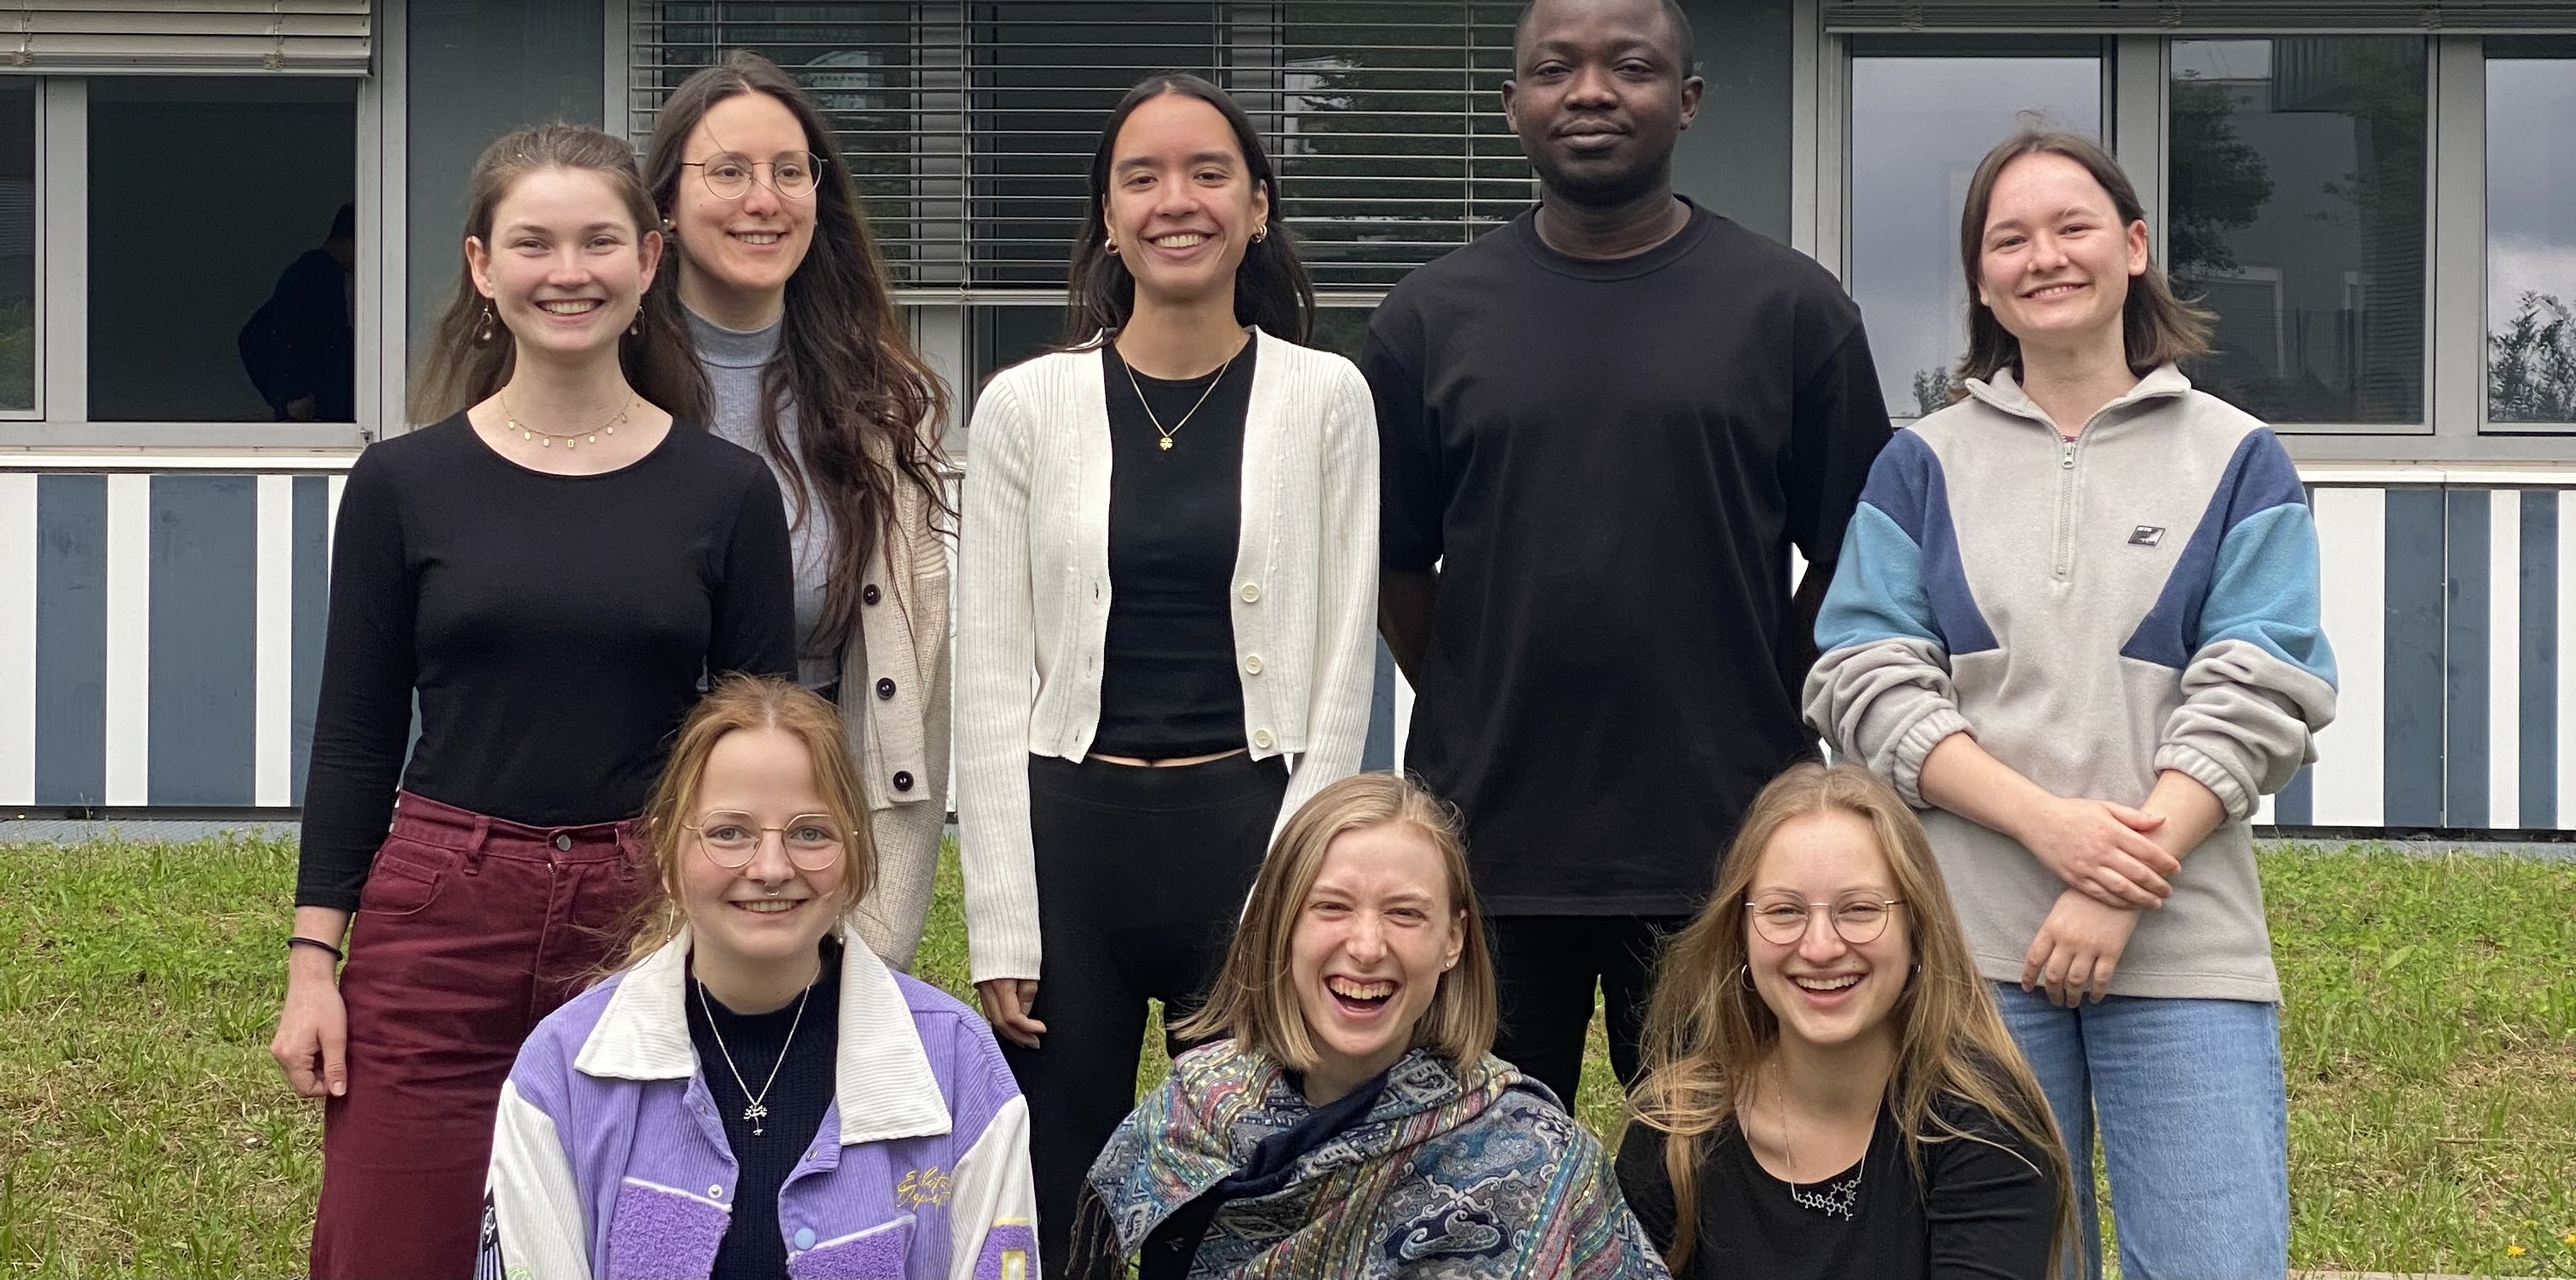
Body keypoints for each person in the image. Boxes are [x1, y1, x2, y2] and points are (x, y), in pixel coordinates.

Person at [1804, 130, 2337, 1279]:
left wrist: (2112, 886)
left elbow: (2263, 681)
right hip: (1971, 959)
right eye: (2010, 239)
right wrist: (2053, 830)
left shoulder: (2238, 457)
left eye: (2072, 226)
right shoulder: (1918, 467)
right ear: (1981, 279)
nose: (2044, 256)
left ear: (2134, 246)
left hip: (2185, 951)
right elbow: (1864, 676)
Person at [270, 123, 797, 1279]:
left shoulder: (726, 492)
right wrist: (314, 965)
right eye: (534, 243)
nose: (570, 271)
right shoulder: (402, 482)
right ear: (482, 266)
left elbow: (768, 752)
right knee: (389, 1249)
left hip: (649, 920)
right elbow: (356, 736)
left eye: (600, 241)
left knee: (645, 1254)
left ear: (648, 261)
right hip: (439, 924)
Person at [1367, 0, 1895, 1110]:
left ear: (1687, 100)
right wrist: (1476, 687)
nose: (1592, 91)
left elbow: (1861, 551)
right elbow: (1395, 567)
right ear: (1513, 106)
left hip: (1725, 840)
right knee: (1479, 1174)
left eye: (1631, 67)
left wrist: (1768, 687)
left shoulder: (1792, 311)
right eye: (1556, 68)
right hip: (1487, 840)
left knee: (1718, 1167)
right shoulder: (1427, 321)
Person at [954, 72, 1379, 1271]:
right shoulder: (1025, 405)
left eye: (1207, 173)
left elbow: (1343, 667)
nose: (1174, 200)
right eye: (1141, 178)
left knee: (1239, 1198)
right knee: (1061, 1195)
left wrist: (1297, 886)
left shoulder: (1326, 398)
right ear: (1107, 216)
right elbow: (988, 677)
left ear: (1257, 208)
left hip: (1245, 831)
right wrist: (1001, 918)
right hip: (1071, 844)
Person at [480, 675, 1037, 1280]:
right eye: (729, 832)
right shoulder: (563, 1075)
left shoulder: (959, 1070)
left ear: (855, 857)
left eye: (810, 832)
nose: (771, 868)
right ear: (666, 853)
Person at [1072, 772, 1670, 1279]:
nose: (1366, 946)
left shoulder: (1543, 1158)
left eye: (1405, 913)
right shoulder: (1187, 1114)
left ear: (1453, 938)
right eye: (1331, 906)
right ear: (1281, 923)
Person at [644, 51, 957, 973]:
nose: (764, 199)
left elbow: (915, 668)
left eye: (790, 171)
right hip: (627, 807)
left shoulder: (883, 404)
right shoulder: (607, 385)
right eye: (728, 171)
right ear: (665, 205)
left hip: (808, 822)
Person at [1620, 763, 2070, 1280]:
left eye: (1859, 909)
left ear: (1917, 929)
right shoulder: (1675, 1130)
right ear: (1740, 933)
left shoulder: (1983, 1130)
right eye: (1784, 911)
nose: (1820, 947)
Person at [239, 201, 356, 422]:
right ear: (351, 239)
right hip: (314, 413)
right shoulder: (315, 276)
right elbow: (254, 338)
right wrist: (291, 396)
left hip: (316, 411)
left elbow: (252, 336)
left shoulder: (314, 274)